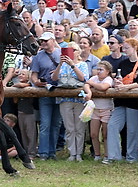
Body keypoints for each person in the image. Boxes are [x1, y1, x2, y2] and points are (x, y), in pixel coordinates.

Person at [104, 38, 138, 164]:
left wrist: (125, 87)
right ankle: (114, 156)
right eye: (124, 47)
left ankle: (132, 157)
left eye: (127, 47)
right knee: (112, 126)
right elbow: (118, 78)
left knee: (133, 130)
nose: (124, 49)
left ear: (134, 48)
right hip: (120, 101)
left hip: (134, 102)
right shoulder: (122, 63)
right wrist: (117, 82)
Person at [52, 42, 88, 161]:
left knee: (79, 128)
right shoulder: (62, 65)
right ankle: (72, 153)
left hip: (79, 99)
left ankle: (79, 153)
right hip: (65, 99)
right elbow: (54, 78)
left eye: (74, 50)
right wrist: (60, 64)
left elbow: (83, 78)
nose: (71, 52)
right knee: (69, 128)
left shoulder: (83, 64)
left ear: (78, 52)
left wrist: (73, 65)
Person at [30, 32, 61, 160]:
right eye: (42, 41)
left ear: (53, 41)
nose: (43, 43)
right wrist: (36, 82)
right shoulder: (38, 56)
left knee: (56, 124)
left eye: (46, 41)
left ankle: (52, 152)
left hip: (60, 91)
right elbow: (33, 74)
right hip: (45, 91)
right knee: (45, 124)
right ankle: (43, 152)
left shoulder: (61, 54)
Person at [83, 61, 114, 161]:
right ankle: (97, 154)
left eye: (101, 70)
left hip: (106, 109)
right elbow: (85, 85)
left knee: (105, 134)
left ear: (108, 71)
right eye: (98, 69)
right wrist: (89, 92)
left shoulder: (108, 79)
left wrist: (92, 84)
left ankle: (107, 155)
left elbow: (103, 87)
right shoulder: (95, 78)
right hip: (95, 109)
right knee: (93, 134)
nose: (98, 71)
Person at [11, 69, 37, 159]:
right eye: (19, 74)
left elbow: (21, 85)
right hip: (20, 112)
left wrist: (14, 86)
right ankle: (25, 152)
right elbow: (15, 101)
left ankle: (32, 153)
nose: (20, 75)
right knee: (23, 133)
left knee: (31, 134)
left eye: (23, 74)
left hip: (30, 112)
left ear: (28, 77)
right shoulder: (17, 89)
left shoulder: (30, 85)